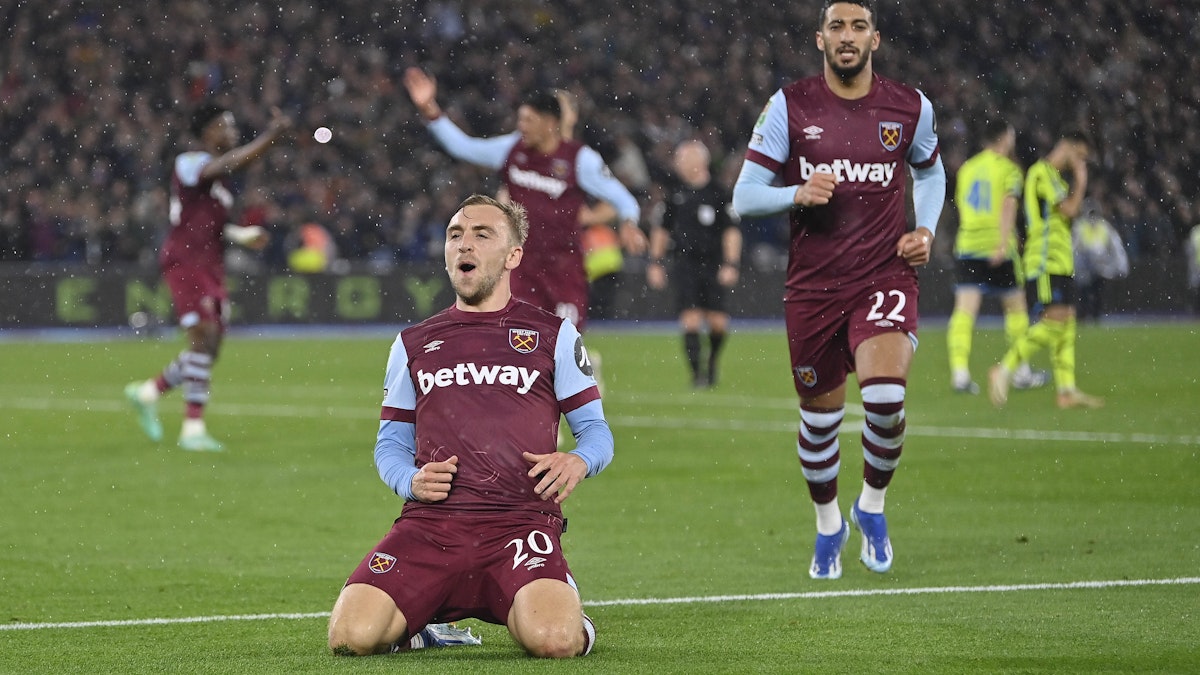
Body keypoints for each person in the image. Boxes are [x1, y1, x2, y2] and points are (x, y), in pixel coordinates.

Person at [327, 194, 612, 659]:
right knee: (349, 636)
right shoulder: (412, 343)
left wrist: (579, 460)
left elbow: (597, 432)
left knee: (554, 641)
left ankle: (563, 601)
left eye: (483, 235)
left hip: (519, 523)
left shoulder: (554, 335)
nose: (465, 245)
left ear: (513, 255)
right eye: (456, 234)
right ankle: (423, 627)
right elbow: (390, 445)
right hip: (431, 525)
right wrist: (410, 480)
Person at [731, 0, 945, 579]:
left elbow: (929, 169)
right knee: (820, 420)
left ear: (875, 39)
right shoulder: (789, 106)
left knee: (885, 399)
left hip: (885, 276)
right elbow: (744, 196)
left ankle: (872, 504)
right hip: (813, 290)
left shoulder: (909, 106)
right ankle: (830, 520)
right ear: (819, 39)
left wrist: (924, 227)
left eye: (857, 27)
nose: (846, 37)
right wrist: (795, 192)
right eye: (836, 28)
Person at [403, 67, 646, 332]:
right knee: (519, 342)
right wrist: (430, 109)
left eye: (528, 120)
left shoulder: (580, 160)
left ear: (549, 123)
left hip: (563, 268)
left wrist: (630, 223)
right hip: (521, 265)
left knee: (564, 343)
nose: (522, 127)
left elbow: (622, 198)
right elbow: (464, 147)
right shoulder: (513, 149)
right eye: (521, 120)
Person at [124, 103, 292, 451]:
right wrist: (271, 137)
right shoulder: (189, 162)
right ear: (207, 132)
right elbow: (228, 163)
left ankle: (148, 392)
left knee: (210, 346)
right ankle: (192, 429)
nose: (231, 132)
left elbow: (204, 222)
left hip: (210, 264)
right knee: (204, 337)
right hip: (185, 262)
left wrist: (239, 235)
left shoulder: (221, 186)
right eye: (224, 125)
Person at [988, 131, 1105, 409]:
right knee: (1054, 322)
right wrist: (1082, 179)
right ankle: (1005, 369)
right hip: (1044, 261)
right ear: (1067, 146)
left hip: (1060, 261)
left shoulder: (1053, 176)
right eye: (1080, 156)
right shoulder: (1042, 173)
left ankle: (1066, 390)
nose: (1080, 163)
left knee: (1067, 322)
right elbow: (1070, 210)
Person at [947, 118, 1046, 394]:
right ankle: (1022, 371)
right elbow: (1007, 206)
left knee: (964, 311)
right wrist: (1002, 244)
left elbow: (962, 205)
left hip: (968, 244)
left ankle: (960, 374)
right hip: (996, 245)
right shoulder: (1009, 170)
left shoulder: (967, 168)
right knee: (1015, 308)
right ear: (1005, 138)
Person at [648, 139, 743, 388]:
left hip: (713, 264)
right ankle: (697, 375)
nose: (678, 164)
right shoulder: (674, 195)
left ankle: (712, 362)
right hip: (685, 264)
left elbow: (731, 231)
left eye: (683, 158)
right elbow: (661, 230)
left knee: (718, 323)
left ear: (700, 162)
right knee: (689, 320)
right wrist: (656, 262)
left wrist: (731, 264)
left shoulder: (720, 193)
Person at [1072, 200, 1129, 322]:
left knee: (1097, 291)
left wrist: (1119, 266)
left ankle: (1095, 314)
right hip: (1084, 267)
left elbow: (1116, 247)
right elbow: (1074, 248)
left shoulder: (1105, 227)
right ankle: (1084, 314)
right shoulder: (1079, 227)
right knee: (1084, 291)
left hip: (1099, 268)